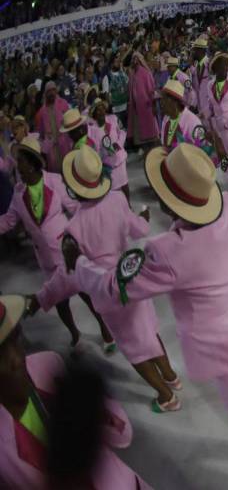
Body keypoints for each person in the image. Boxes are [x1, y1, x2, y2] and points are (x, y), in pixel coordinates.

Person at [66, 141, 228, 489]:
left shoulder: (168, 252)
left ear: (168, 200)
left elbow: (114, 290)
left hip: (227, 353)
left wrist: (80, 265)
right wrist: (225, 159)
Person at [31, 145, 183, 411]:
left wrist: (41, 299)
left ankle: (165, 396)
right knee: (148, 331)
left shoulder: (74, 228)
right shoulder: (117, 200)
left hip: (110, 292)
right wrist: (143, 218)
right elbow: (139, 229)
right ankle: (170, 376)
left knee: (133, 348)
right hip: (133, 276)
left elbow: (67, 277)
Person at [0, 294, 152, 489]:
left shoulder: (48, 364)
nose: (15, 358)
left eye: (15, 338)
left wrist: (97, 415)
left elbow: (123, 434)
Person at [0, 136, 113, 350]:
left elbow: (75, 208)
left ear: (33, 163)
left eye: (21, 161)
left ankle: (106, 330)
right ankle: (75, 335)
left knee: (86, 293)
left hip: (67, 253)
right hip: (46, 260)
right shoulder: (18, 194)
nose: (18, 166)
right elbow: (8, 221)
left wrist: (84, 235)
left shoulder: (56, 181)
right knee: (60, 302)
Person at [85, 98, 130, 204]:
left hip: (119, 159)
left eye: (103, 108)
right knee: (112, 191)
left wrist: (118, 144)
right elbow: (93, 149)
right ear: (94, 114)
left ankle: (129, 206)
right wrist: (103, 153)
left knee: (124, 185)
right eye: (98, 110)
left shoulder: (113, 119)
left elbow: (123, 132)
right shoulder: (92, 130)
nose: (102, 111)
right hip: (107, 165)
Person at [157, 80, 206, 153]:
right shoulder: (166, 118)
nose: (161, 103)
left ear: (174, 102)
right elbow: (164, 144)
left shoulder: (193, 121)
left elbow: (202, 149)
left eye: (164, 99)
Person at [33, 81, 70, 171]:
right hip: (51, 149)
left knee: (68, 168)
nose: (52, 93)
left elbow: (69, 122)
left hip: (64, 144)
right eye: (49, 91)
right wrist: (44, 145)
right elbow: (40, 133)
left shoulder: (63, 103)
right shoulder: (42, 111)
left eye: (54, 90)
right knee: (55, 174)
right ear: (46, 93)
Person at [126, 52, 159, 151]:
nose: (134, 61)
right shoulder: (132, 74)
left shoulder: (145, 73)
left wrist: (153, 105)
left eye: (136, 59)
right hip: (136, 110)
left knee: (151, 134)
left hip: (147, 108)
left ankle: (154, 152)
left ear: (140, 60)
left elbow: (152, 90)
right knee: (140, 135)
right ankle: (146, 153)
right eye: (133, 59)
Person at [187, 35, 209, 114]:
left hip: (210, 107)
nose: (192, 53)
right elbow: (195, 87)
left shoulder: (209, 63)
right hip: (200, 108)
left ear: (200, 50)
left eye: (194, 50)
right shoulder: (196, 66)